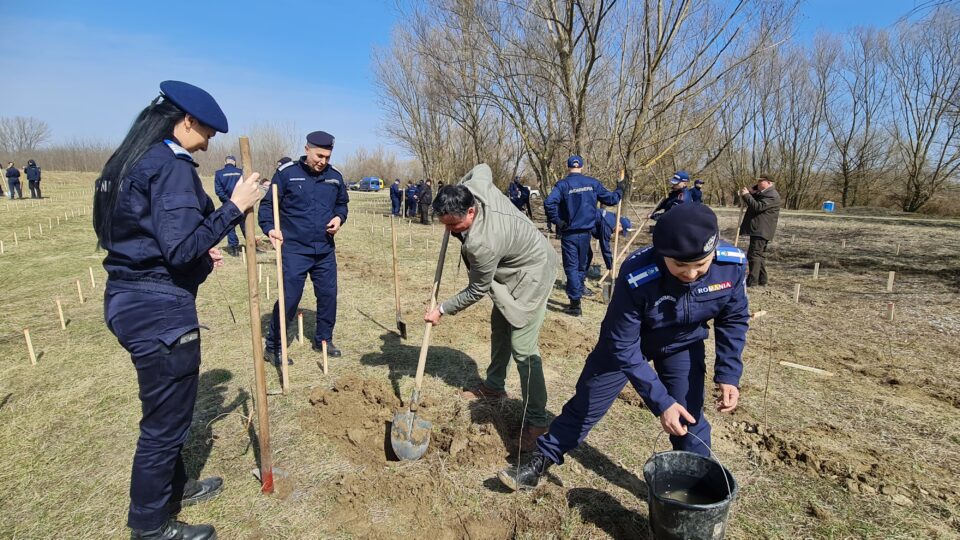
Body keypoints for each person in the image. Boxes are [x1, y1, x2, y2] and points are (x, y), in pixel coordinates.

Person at [95, 80, 264, 539]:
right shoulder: (169, 167)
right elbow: (180, 249)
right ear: (185, 121)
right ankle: (150, 527)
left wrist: (198, 247)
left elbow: (145, 238)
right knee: (164, 426)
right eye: (206, 133)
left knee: (162, 411)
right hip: (160, 313)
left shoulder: (124, 162)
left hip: (127, 299)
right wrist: (234, 207)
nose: (207, 145)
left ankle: (175, 489)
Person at [498, 203, 750, 490]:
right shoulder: (638, 273)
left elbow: (733, 318)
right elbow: (623, 344)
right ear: (663, 254)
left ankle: (695, 491)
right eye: (680, 266)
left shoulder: (731, 265)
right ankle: (539, 461)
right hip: (627, 345)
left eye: (700, 266)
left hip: (681, 344)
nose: (691, 274)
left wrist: (729, 374)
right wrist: (662, 403)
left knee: (689, 416)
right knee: (587, 405)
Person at [426, 164, 558, 451]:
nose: (449, 231)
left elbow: (477, 289)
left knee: (523, 348)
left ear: (471, 212)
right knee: (500, 326)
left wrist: (442, 309)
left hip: (532, 273)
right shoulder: (477, 187)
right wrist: (455, 189)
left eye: (454, 225)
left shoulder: (482, 244)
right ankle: (495, 386)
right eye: (445, 224)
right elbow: (483, 167)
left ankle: (538, 421)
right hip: (511, 267)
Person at [259, 130, 349, 364]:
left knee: (328, 296)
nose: (323, 161)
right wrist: (270, 229)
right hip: (294, 250)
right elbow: (267, 206)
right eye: (319, 156)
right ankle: (273, 346)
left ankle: (324, 340)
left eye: (327, 157)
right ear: (307, 149)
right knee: (289, 298)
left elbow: (342, 205)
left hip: (324, 250)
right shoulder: (286, 174)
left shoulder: (335, 177)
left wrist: (339, 218)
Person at [543, 155, 623, 316]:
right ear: (582, 167)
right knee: (580, 266)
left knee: (572, 267)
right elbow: (612, 199)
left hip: (570, 234)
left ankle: (575, 304)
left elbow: (549, 203)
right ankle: (577, 295)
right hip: (586, 234)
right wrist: (620, 188)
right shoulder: (592, 183)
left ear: (568, 167)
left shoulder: (563, 185)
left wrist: (558, 221)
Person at [739, 174, 781, 287]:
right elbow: (756, 197)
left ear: (769, 183)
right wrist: (751, 192)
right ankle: (762, 279)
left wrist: (747, 195)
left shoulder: (772, 195)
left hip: (762, 230)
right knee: (759, 256)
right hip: (760, 229)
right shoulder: (764, 193)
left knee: (754, 255)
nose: (758, 183)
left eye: (761, 181)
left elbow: (757, 206)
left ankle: (752, 281)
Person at [213, 156, 245, 256]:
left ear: (225, 162)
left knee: (230, 225)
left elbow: (218, 190)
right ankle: (251, 244)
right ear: (234, 162)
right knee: (245, 224)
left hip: (228, 203)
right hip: (242, 202)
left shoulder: (219, 173)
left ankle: (233, 248)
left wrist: (229, 201)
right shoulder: (241, 172)